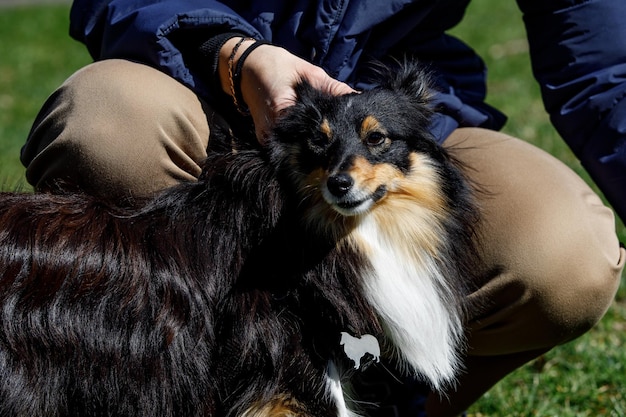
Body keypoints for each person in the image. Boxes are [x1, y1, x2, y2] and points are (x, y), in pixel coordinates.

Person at [20, 1, 625, 416]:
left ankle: (381, 400)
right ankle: (148, 386)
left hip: (398, 122)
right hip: (199, 91)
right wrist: (231, 53)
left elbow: (606, 73)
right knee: (104, 123)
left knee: (566, 248)